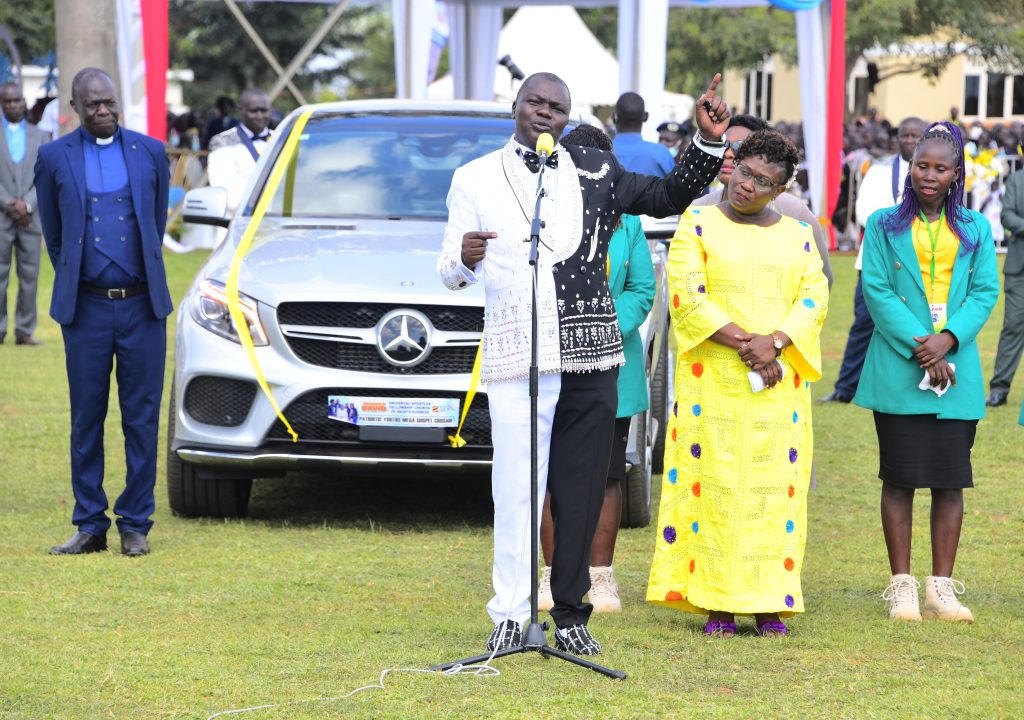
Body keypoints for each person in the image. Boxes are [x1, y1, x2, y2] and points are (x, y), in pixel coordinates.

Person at [439, 71, 729, 655]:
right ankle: (511, 614)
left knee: (580, 490)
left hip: (590, 355)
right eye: (535, 103)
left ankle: (571, 614)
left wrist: (706, 143)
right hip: (519, 355)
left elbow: (666, 196)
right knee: (516, 488)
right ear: (515, 108)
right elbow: (449, 269)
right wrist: (464, 258)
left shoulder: (596, 171)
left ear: (568, 117)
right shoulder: (473, 178)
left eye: (557, 106)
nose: (545, 112)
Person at [646, 129, 828, 638]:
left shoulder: (796, 234)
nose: (748, 185)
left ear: (780, 192)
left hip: (778, 389)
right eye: (745, 171)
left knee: (773, 498)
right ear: (735, 165)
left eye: (764, 182)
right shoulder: (697, 222)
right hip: (716, 386)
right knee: (717, 493)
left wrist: (778, 343)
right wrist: (753, 344)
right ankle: (717, 604)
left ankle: (771, 603)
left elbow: (813, 298)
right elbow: (686, 293)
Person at [854, 122, 998, 623]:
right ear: (909, 166)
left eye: (940, 168)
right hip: (900, 365)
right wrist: (924, 347)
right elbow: (876, 289)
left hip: (956, 366)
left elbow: (984, 292)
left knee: (950, 481)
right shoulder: (882, 225)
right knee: (898, 479)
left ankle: (941, 589)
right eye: (921, 166)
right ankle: (903, 588)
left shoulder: (976, 228)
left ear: (957, 173)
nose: (929, 176)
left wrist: (949, 340)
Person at [34, 68, 172, 557]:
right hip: (87, 311)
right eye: (93, 105)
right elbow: (53, 234)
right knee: (86, 418)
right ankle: (90, 524)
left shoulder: (150, 152)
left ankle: (135, 523)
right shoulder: (53, 157)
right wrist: (82, 275)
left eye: (110, 102)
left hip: (143, 309)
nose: (104, 111)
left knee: (142, 417)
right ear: (75, 107)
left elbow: (154, 225)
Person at [535, 124, 656, 615]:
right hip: (550, 361)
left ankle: (600, 576)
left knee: (606, 477)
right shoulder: (544, 215)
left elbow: (642, 291)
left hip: (611, 365)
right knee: (548, 473)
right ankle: (551, 574)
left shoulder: (628, 222)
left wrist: (603, 324)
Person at [820, 117, 926, 403]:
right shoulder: (879, 172)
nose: (909, 140)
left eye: (915, 135)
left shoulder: (932, 175)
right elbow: (864, 212)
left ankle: (911, 386)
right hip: (875, 261)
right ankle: (845, 388)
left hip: (916, 264)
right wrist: (902, 223)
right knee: (864, 324)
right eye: (904, 135)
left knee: (916, 325)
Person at [691, 114, 833, 289]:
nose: (727, 153)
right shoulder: (697, 211)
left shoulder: (795, 213)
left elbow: (821, 282)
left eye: (738, 147)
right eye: (722, 145)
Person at [0, 82, 46, 346]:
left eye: (17, 100)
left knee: (30, 276)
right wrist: (9, 204)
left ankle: (25, 330)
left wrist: (27, 204)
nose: (13, 105)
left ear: (24, 102)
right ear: (1, 104)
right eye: (7, 101)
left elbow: (45, 176)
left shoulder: (40, 135)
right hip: (2, 216)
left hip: (31, 217)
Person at [985, 168, 1024, 407]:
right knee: (1012, 327)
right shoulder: (1016, 179)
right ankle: (999, 388)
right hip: (1019, 270)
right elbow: (1006, 216)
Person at [207, 88, 272, 220]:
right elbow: (224, 191)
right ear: (240, 110)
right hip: (237, 222)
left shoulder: (282, 140)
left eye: (264, 111)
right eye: (253, 111)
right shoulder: (221, 141)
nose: (259, 116)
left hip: (279, 221)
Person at [612, 92, 675, 176]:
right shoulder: (662, 154)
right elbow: (676, 186)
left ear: (614, 117)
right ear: (645, 117)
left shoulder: (599, 152)